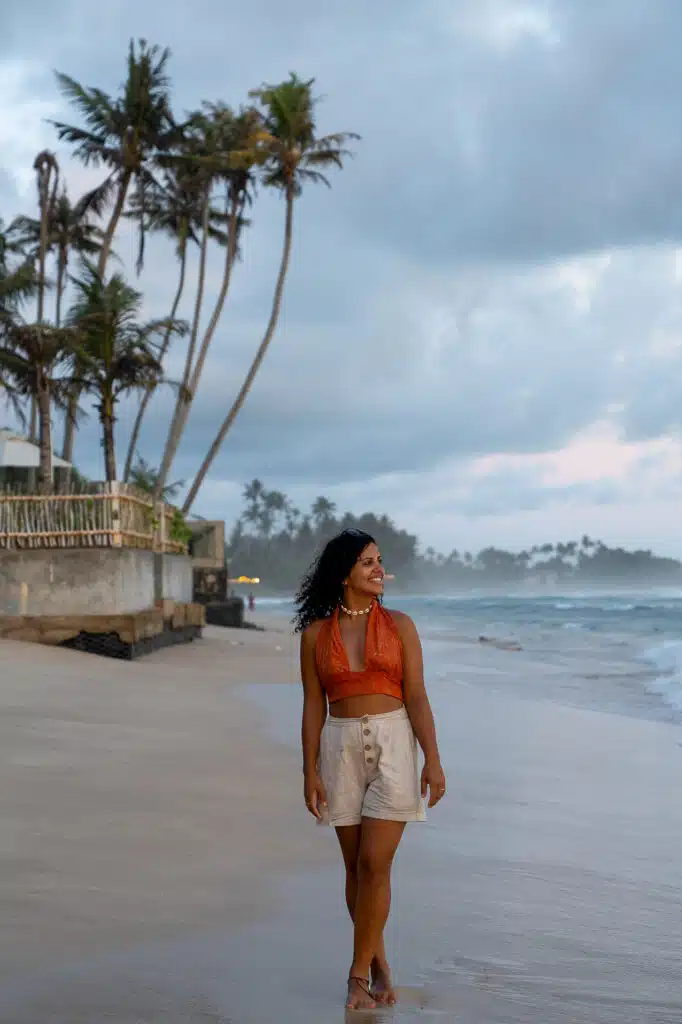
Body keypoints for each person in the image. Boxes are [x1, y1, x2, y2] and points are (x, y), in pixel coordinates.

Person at [294, 529, 446, 1011]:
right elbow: (312, 705)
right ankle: (378, 964)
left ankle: (356, 975)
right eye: (367, 563)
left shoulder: (401, 625)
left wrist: (434, 760)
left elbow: (417, 695)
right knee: (355, 870)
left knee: (375, 863)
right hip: (338, 748)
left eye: (380, 561)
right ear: (344, 574)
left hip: (394, 743)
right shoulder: (316, 635)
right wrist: (309, 770)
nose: (379, 570)